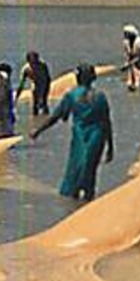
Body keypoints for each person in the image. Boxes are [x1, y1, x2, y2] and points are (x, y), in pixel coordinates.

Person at [29, 63, 114, 201]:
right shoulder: (100, 96)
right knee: (90, 171)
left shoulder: (71, 96)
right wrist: (110, 147)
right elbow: (107, 122)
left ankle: (72, 208)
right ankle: (88, 203)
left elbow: (55, 117)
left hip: (80, 137)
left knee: (75, 169)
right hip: (97, 137)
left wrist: (38, 130)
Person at [18, 50, 52, 115]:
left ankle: (45, 118)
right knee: (35, 103)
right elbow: (22, 82)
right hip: (35, 85)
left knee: (44, 102)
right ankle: (35, 117)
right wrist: (18, 95)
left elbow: (48, 77)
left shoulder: (42, 65)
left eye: (35, 61)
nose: (34, 64)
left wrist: (46, 89)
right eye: (32, 62)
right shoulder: (26, 69)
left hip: (44, 83)